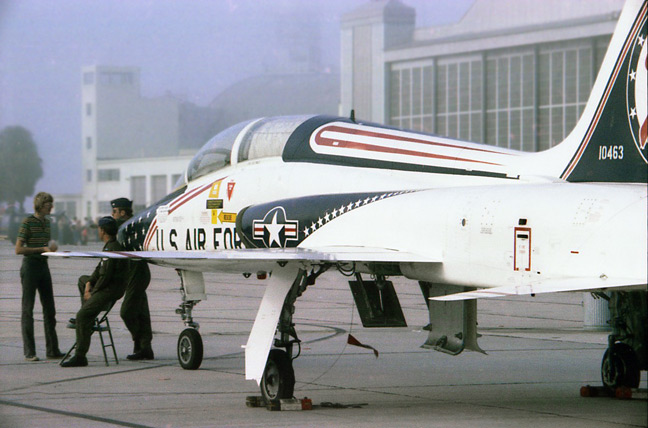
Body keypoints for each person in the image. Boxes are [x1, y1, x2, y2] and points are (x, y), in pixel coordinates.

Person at [61, 217, 128, 367]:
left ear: (103, 231)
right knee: (82, 280)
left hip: (109, 290)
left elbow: (106, 276)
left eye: (98, 229)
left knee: (81, 316)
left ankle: (80, 356)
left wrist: (91, 292)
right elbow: (99, 269)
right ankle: (88, 313)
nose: (97, 231)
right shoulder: (110, 246)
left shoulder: (112, 249)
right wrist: (89, 283)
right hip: (107, 286)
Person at [14, 192, 65, 361]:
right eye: (48, 205)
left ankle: (52, 349)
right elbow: (18, 249)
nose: (51, 207)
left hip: (44, 266)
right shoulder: (28, 222)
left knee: (50, 309)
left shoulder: (47, 222)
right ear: (40, 206)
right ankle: (29, 352)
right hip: (30, 267)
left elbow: (45, 245)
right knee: (28, 309)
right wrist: (41, 249)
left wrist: (51, 249)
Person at [111, 197, 154, 360]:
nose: (113, 215)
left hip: (137, 271)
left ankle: (140, 341)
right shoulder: (132, 225)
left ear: (122, 213)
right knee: (141, 312)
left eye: (115, 212)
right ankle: (144, 348)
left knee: (127, 311)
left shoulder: (130, 225)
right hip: (132, 272)